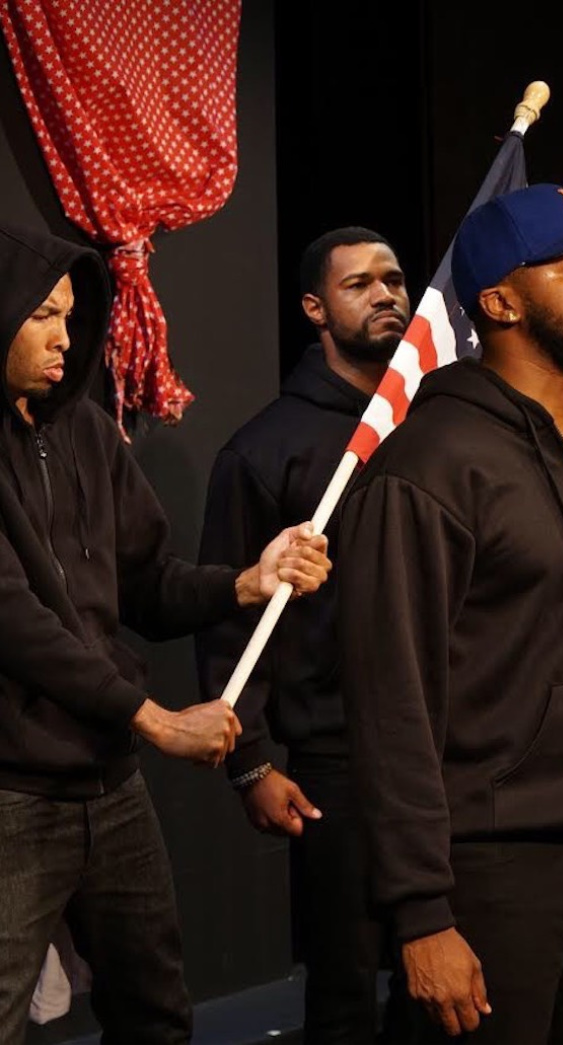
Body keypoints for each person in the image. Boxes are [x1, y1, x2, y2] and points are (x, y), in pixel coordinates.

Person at [336, 183, 563, 1044]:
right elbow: (392, 704)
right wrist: (421, 913)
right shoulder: (430, 467)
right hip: (493, 876)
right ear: (499, 302)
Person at [0, 220, 332, 1045]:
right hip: (12, 790)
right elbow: (18, 624)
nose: (63, 337)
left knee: (156, 1012)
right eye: (43, 314)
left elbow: (147, 582)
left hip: (108, 782)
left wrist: (246, 582)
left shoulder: (82, 429)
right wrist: (153, 718)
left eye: (71, 317)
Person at [195, 226, 412, 1043]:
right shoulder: (262, 448)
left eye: (393, 279)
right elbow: (228, 615)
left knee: (450, 976)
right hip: (335, 754)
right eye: (360, 283)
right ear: (315, 307)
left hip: (449, 738)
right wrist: (250, 760)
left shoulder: (432, 423)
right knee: (347, 985)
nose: (385, 293)